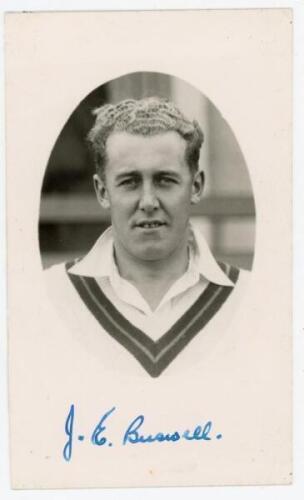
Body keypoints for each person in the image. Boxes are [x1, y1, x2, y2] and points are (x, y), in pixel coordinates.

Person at [45, 97, 249, 377]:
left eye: (165, 180)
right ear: (102, 191)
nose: (149, 201)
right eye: (129, 182)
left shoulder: (247, 297)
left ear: (196, 186)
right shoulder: (53, 294)